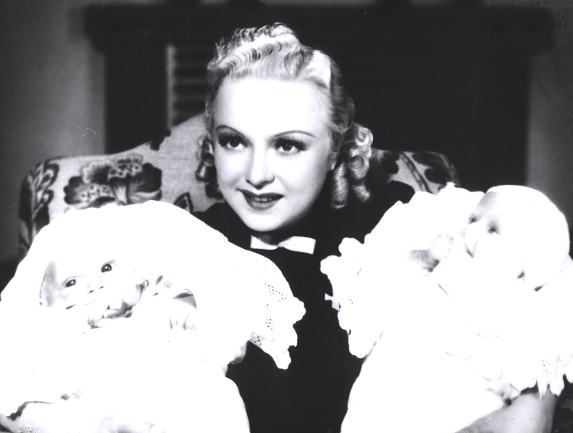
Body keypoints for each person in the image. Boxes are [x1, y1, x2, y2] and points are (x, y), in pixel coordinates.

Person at [193, 23, 557, 433]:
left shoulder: (399, 223)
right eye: (234, 141)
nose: (256, 174)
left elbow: (547, 279)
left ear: (335, 149)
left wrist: (533, 402)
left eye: (288, 145)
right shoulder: (181, 243)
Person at [0, 201, 304, 433]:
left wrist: (191, 312)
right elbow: (7, 379)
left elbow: (227, 336)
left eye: (107, 267)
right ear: (45, 302)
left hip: (170, 402)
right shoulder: (52, 330)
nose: (95, 285)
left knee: (217, 399)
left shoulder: (157, 304)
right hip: (94, 409)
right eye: (71, 283)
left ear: (136, 272)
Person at [322, 184, 571, 433]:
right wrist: (422, 258)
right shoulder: (437, 270)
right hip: (383, 397)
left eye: (493, 230)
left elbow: (485, 316)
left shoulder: (518, 302)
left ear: (526, 263)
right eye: (473, 218)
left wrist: (456, 263)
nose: (471, 229)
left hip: (450, 411)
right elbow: (386, 289)